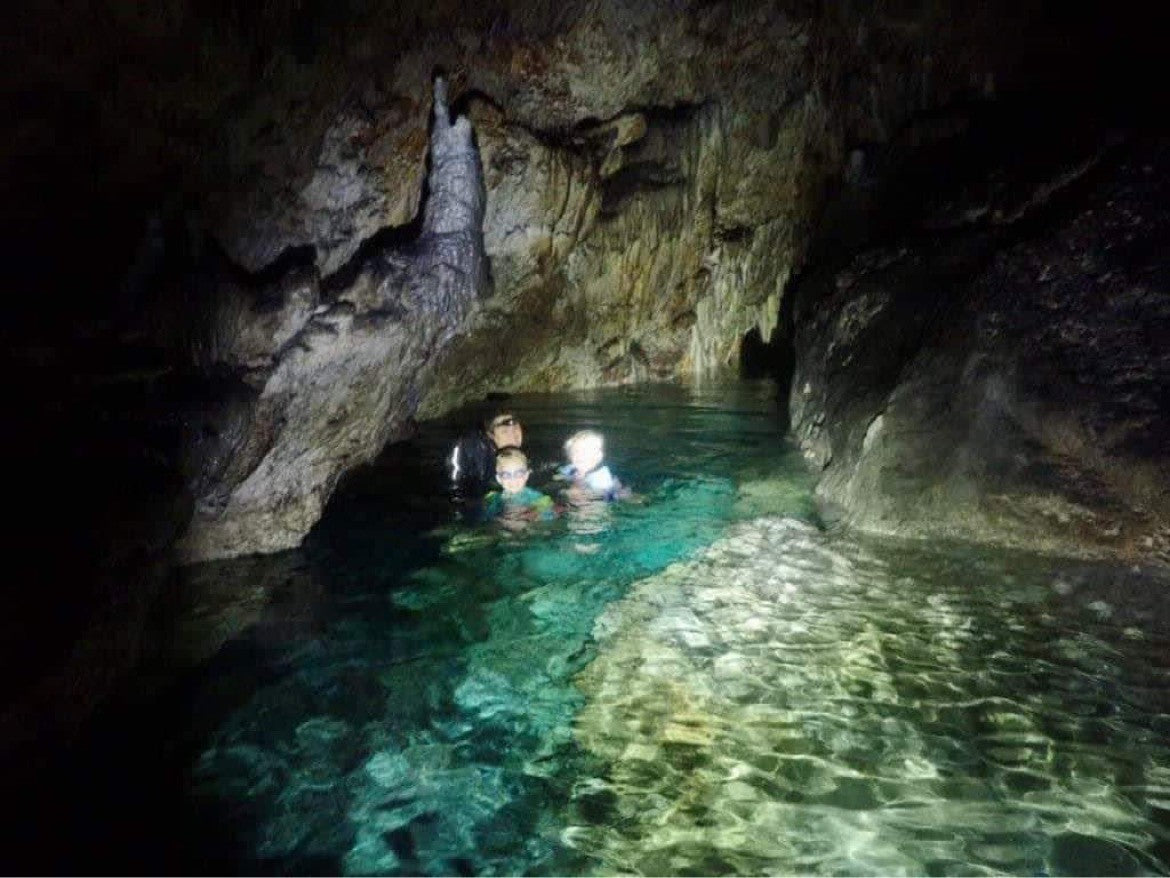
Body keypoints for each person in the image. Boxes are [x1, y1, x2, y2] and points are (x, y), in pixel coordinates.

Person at [449, 410, 524, 496]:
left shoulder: (524, 451)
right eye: (505, 431)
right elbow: (457, 487)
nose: (513, 436)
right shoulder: (474, 452)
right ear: (490, 435)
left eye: (516, 429)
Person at [482, 446, 558, 527]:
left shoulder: (534, 496)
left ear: (526, 475)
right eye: (506, 475)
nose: (513, 479)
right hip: (504, 526)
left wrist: (533, 516)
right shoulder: (494, 497)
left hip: (528, 526)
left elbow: (550, 512)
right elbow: (487, 516)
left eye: (518, 474)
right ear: (499, 479)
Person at [557, 429, 631, 504]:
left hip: (607, 494)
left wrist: (575, 491)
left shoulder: (601, 477)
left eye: (587, 452)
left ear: (598, 456)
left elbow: (604, 497)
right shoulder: (571, 468)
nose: (580, 456)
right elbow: (559, 476)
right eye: (576, 451)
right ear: (570, 455)